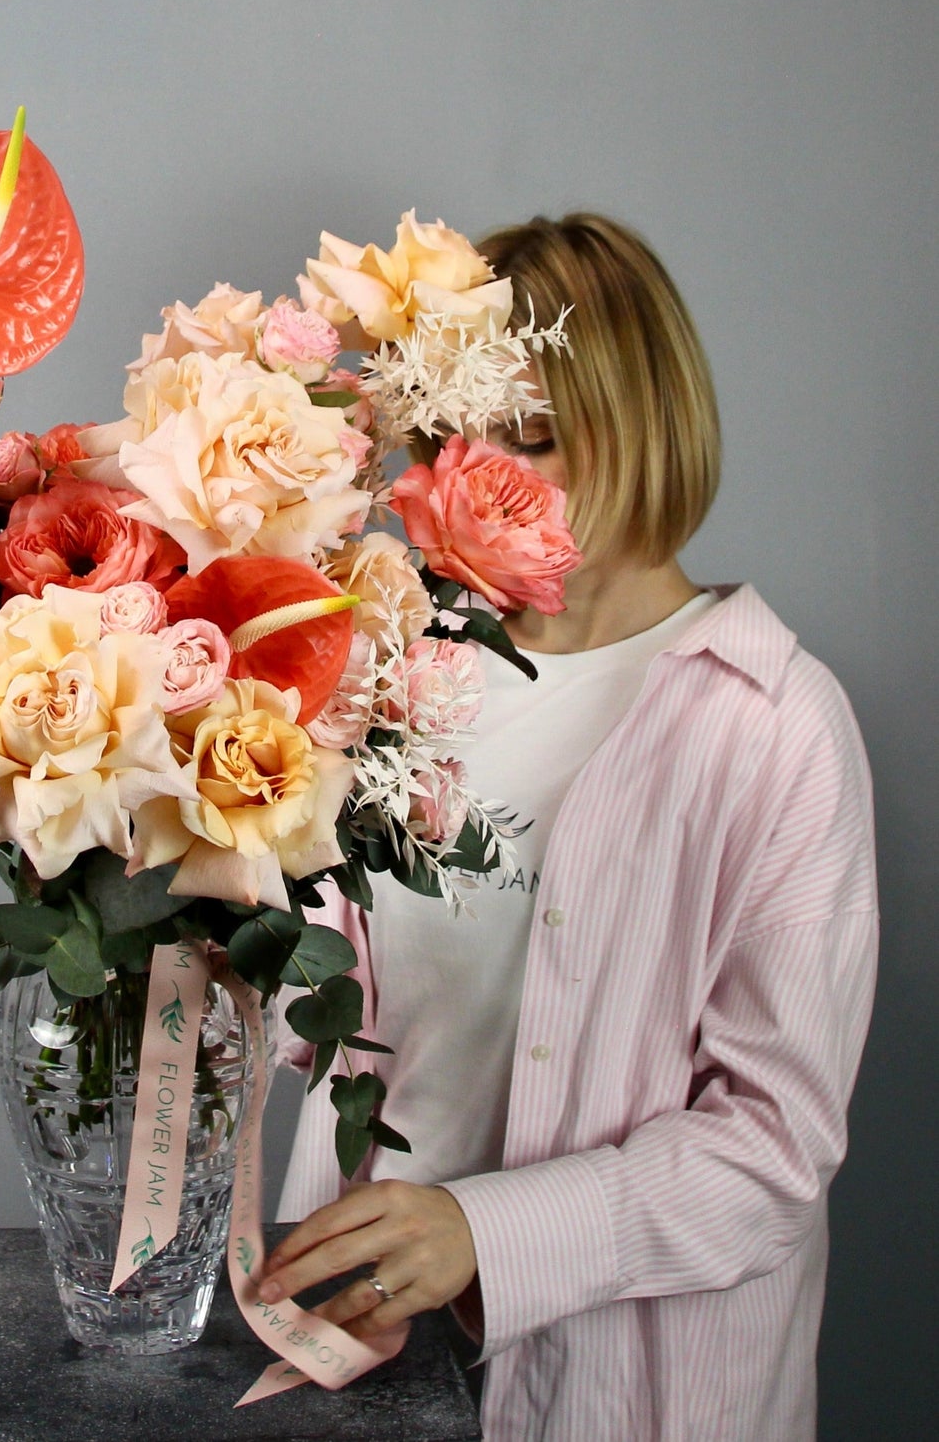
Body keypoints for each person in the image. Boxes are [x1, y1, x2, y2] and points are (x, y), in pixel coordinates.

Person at [262, 213, 878, 1440]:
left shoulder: (773, 727)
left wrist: (482, 1231)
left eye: (532, 433)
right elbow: (294, 993)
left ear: (643, 416)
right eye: (452, 432)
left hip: (640, 1388)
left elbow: (771, 1145)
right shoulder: (382, 669)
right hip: (362, 1344)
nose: (484, 470)